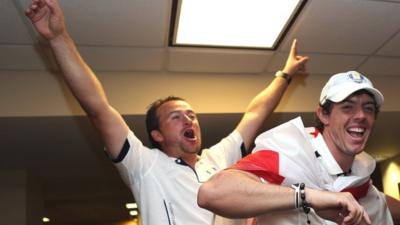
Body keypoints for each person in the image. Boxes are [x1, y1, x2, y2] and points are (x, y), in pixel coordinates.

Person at [25, 0, 309, 224]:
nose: (189, 119)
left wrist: (284, 74)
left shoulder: (220, 157)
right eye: (176, 116)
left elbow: (254, 114)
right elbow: (97, 108)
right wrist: (58, 37)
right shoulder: (143, 165)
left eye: (192, 115)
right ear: (156, 134)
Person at [198, 71, 400, 225]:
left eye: (369, 108)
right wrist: (308, 196)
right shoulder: (291, 151)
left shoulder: (362, 176)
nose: (361, 116)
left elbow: (377, 203)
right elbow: (211, 192)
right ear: (323, 115)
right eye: (348, 107)